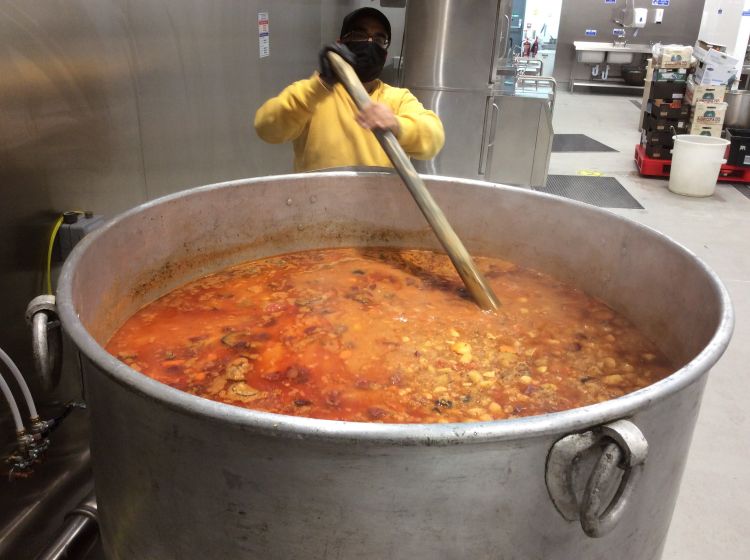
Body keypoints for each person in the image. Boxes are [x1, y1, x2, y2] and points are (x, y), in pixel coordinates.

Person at [254, 7, 444, 172]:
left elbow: (434, 138)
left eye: (379, 39)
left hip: (383, 206)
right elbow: (267, 129)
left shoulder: (398, 99)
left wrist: (397, 126)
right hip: (315, 206)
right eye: (360, 35)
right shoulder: (313, 95)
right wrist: (320, 85)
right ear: (341, 44)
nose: (369, 42)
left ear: (385, 54)